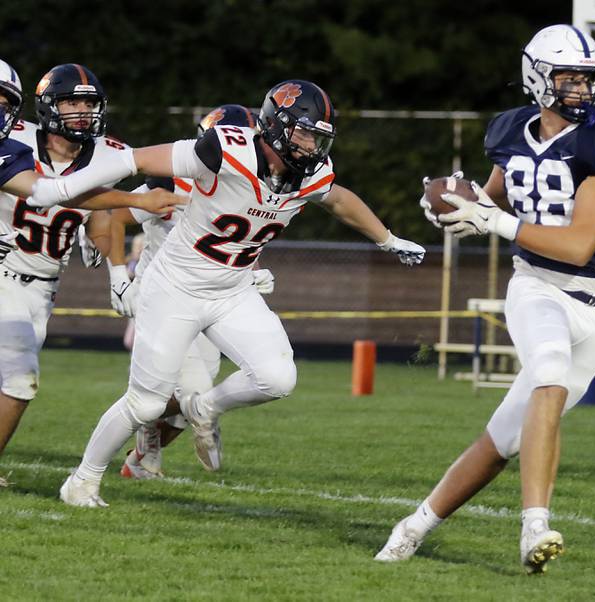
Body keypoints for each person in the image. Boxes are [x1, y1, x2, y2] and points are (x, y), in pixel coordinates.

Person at [30, 79, 426, 507]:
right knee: (145, 404)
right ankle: (82, 481)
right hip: (175, 288)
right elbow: (135, 160)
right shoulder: (225, 148)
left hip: (232, 289)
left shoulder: (309, 173)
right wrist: (62, 190)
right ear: (275, 125)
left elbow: (338, 199)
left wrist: (387, 239)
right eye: (305, 133)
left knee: (277, 379)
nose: (312, 146)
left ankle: (203, 407)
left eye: (319, 137)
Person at [376, 25, 595, 573]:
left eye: (589, 80)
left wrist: (489, 218)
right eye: (569, 78)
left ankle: (413, 527)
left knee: (504, 441)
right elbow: (491, 197)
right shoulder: (509, 131)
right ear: (537, 77)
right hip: (537, 286)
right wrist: (458, 208)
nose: (582, 90)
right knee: (547, 371)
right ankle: (535, 527)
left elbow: (579, 243)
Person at [0, 61, 182, 473]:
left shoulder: (109, 153)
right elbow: (57, 195)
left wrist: (117, 272)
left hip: (43, 284)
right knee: (17, 380)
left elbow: (101, 214)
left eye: (88, 103)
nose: (81, 112)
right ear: (48, 106)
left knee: (12, 377)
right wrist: (135, 201)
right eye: (70, 103)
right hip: (3, 267)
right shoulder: (14, 137)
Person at [110, 104, 274, 479]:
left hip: (213, 299)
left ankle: (141, 453)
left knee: (191, 402)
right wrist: (118, 275)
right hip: (165, 296)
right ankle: (98, 464)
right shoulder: (171, 181)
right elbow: (115, 216)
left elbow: (234, 244)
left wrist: (256, 271)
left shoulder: (252, 190)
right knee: (195, 393)